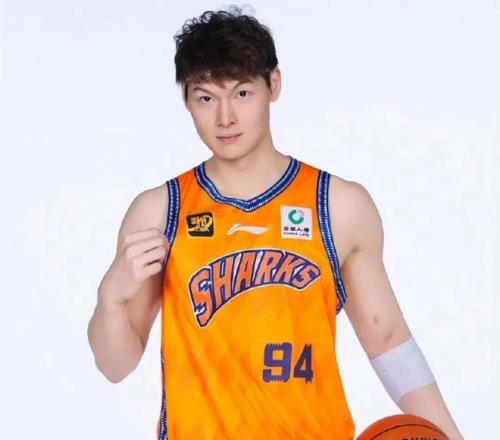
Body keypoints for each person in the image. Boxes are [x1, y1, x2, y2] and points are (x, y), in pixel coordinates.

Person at [87, 6, 464, 439]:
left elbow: (388, 338)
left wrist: (450, 435)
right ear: (186, 100)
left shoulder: (337, 206)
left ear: (274, 85)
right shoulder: (160, 212)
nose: (225, 117)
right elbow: (114, 366)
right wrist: (110, 297)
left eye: (242, 93)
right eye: (206, 98)